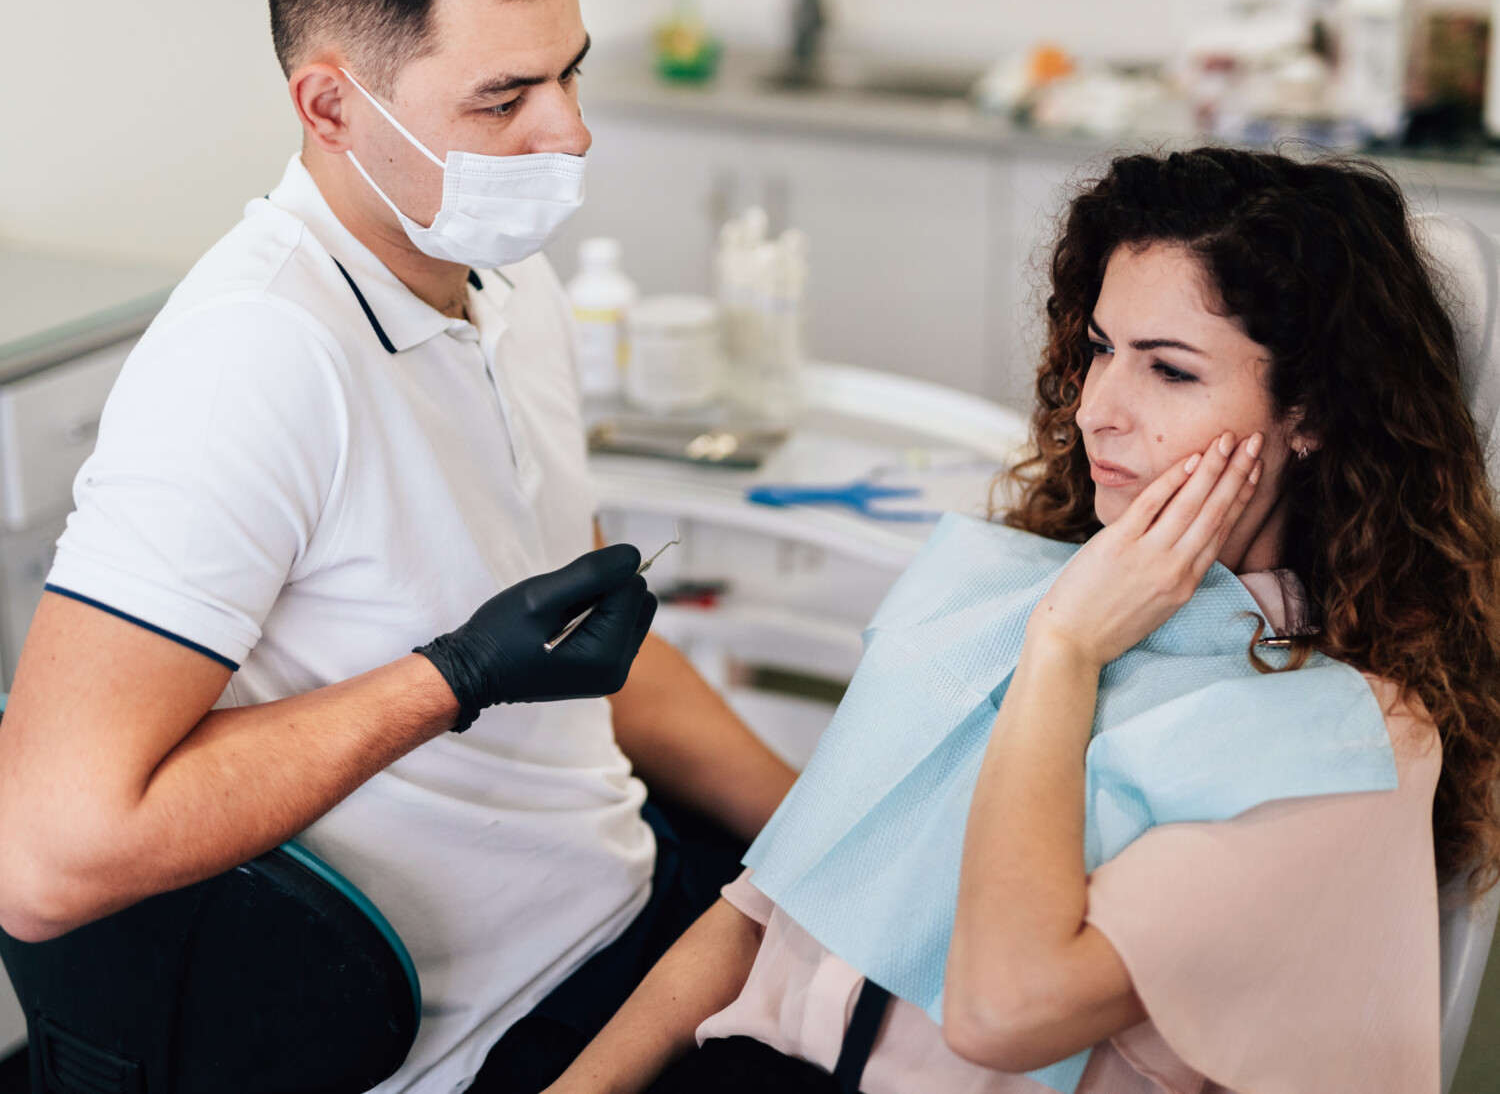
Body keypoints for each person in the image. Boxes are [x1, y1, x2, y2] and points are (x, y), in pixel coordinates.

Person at [0, 0, 795, 1092]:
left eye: (572, 71)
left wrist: (814, 824)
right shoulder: (253, 359)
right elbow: (43, 858)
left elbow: (599, 652)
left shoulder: (509, 288)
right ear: (329, 108)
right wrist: (451, 677)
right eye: (504, 98)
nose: (570, 131)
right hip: (472, 1032)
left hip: (621, 901)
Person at [542, 147, 1500, 1094]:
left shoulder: (1341, 741)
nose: (1097, 411)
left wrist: (1065, 651)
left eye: (1168, 370)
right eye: (1098, 350)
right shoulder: (991, 589)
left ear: (1313, 409)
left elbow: (1003, 1012)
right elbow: (768, 903)